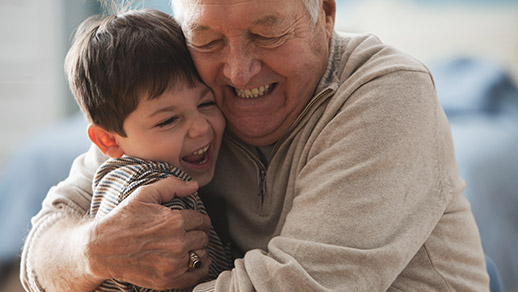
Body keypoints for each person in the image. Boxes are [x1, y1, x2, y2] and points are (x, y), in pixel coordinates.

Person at [20, 0, 491, 291]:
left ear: (325, 13)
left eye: (267, 34)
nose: (238, 72)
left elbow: (299, 286)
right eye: (208, 40)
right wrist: (93, 250)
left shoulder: (389, 93)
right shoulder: (179, 95)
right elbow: (42, 251)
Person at [59, 8, 231, 291]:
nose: (200, 128)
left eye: (206, 103)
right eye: (168, 120)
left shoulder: (117, 176)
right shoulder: (158, 199)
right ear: (109, 142)